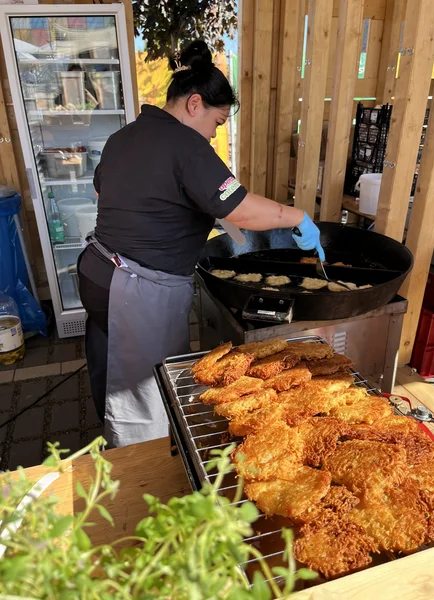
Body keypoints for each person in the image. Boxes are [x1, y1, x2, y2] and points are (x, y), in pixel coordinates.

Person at [78, 40, 325, 448]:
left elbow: (107, 194)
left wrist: (177, 213)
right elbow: (241, 209)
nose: (215, 133)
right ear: (195, 105)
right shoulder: (187, 145)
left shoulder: (126, 135)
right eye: (218, 121)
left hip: (98, 272)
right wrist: (296, 216)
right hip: (136, 288)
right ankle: (142, 466)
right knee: (145, 392)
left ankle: (106, 430)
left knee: (110, 357)